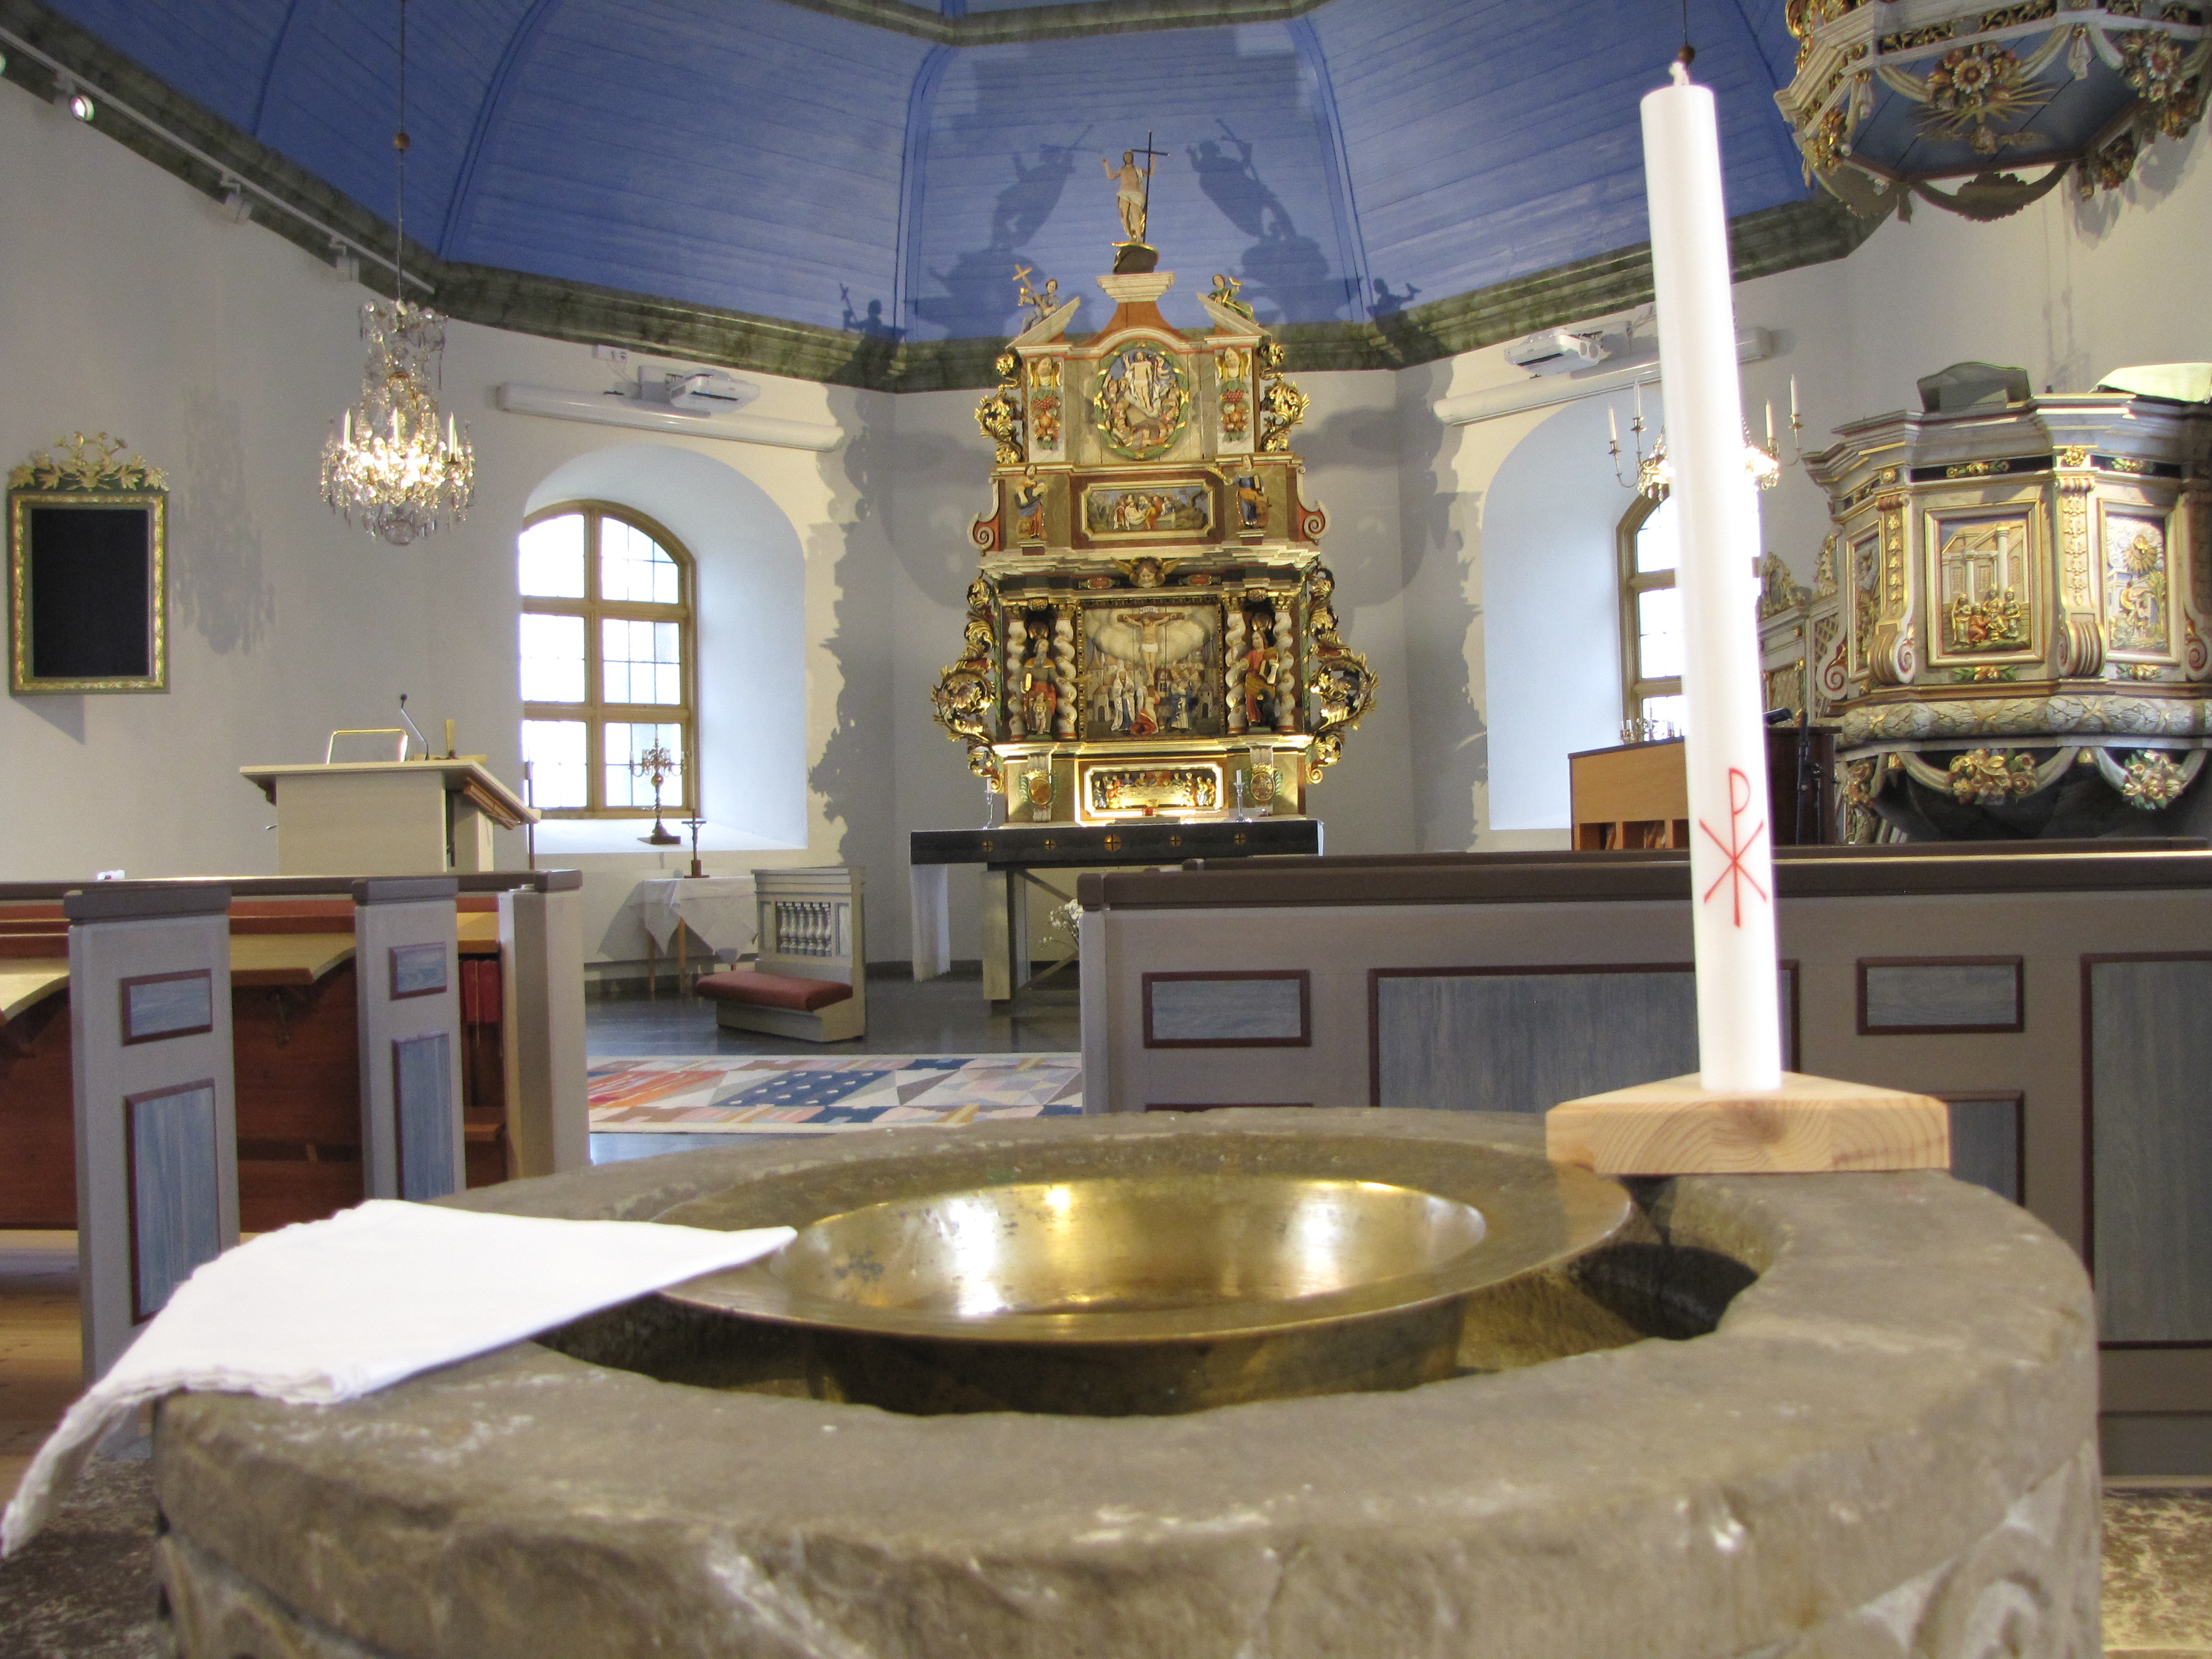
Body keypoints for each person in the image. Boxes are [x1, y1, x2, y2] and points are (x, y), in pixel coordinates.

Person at [1104, 150, 1147, 243]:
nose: (1128, 158)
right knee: (1125, 215)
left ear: (1132, 158)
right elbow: (1111, 177)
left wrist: (1153, 161)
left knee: (1135, 213)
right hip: (1124, 193)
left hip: (1135, 193)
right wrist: (1106, 165)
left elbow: (1149, 174)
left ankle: (1139, 237)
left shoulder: (1137, 170)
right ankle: (1131, 236)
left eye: (1129, 156)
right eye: (1126, 157)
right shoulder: (1122, 170)